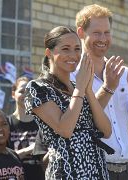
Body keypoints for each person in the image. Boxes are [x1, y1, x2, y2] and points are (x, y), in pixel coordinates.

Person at [73, 4, 128, 179]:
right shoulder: (73, 76)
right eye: (97, 33)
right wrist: (108, 87)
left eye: (107, 32)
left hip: (125, 171)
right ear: (80, 32)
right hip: (92, 170)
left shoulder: (123, 74)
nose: (103, 38)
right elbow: (82, 121)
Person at [24, 26, 112, 179]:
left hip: (98, 173)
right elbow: (65, 129)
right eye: (66, 49)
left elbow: (106, 131)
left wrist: (88, 90)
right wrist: (80, 88)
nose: (73, 55)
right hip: (67, 173)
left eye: (77, 49)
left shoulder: (79, 86)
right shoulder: (37, 88)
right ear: (48, 53)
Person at [7, 76, 45, 180]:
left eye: (29, 91)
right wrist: (30, 149)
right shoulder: (6, 123)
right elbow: (4, 157)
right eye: (21, 91)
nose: (26, 95)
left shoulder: (43, 122)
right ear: (13, 94)